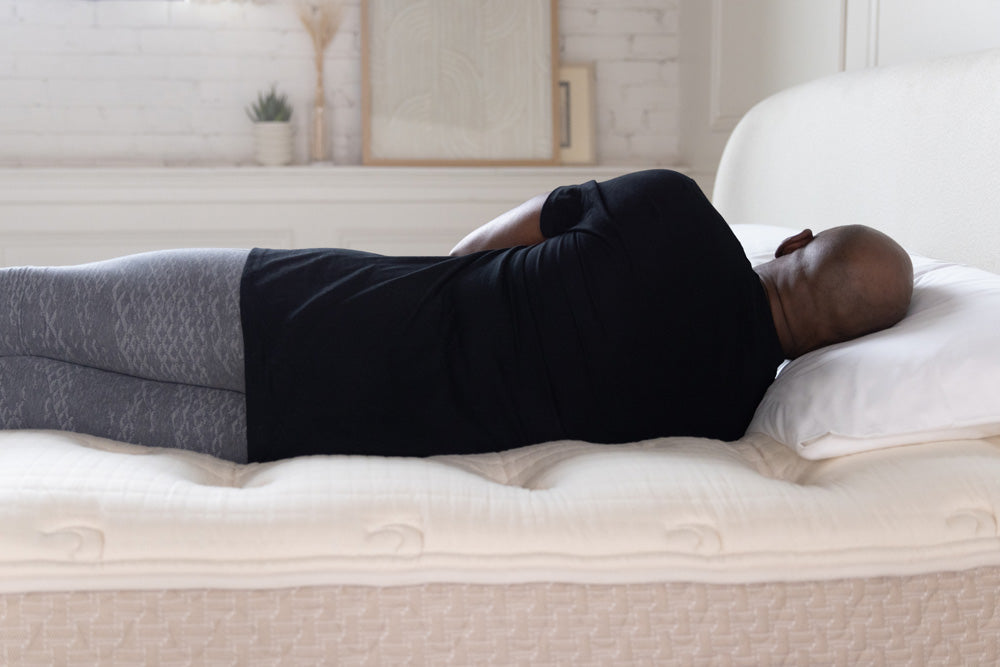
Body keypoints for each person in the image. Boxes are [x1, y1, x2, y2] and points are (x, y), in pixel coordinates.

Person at [0, 170, 912, 464]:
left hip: (304, 307)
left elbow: (487, 240)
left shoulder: (676, 212)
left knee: (36, 303)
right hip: (299, 430)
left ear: (794, 242)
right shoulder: (726, 415)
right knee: (36, 392)